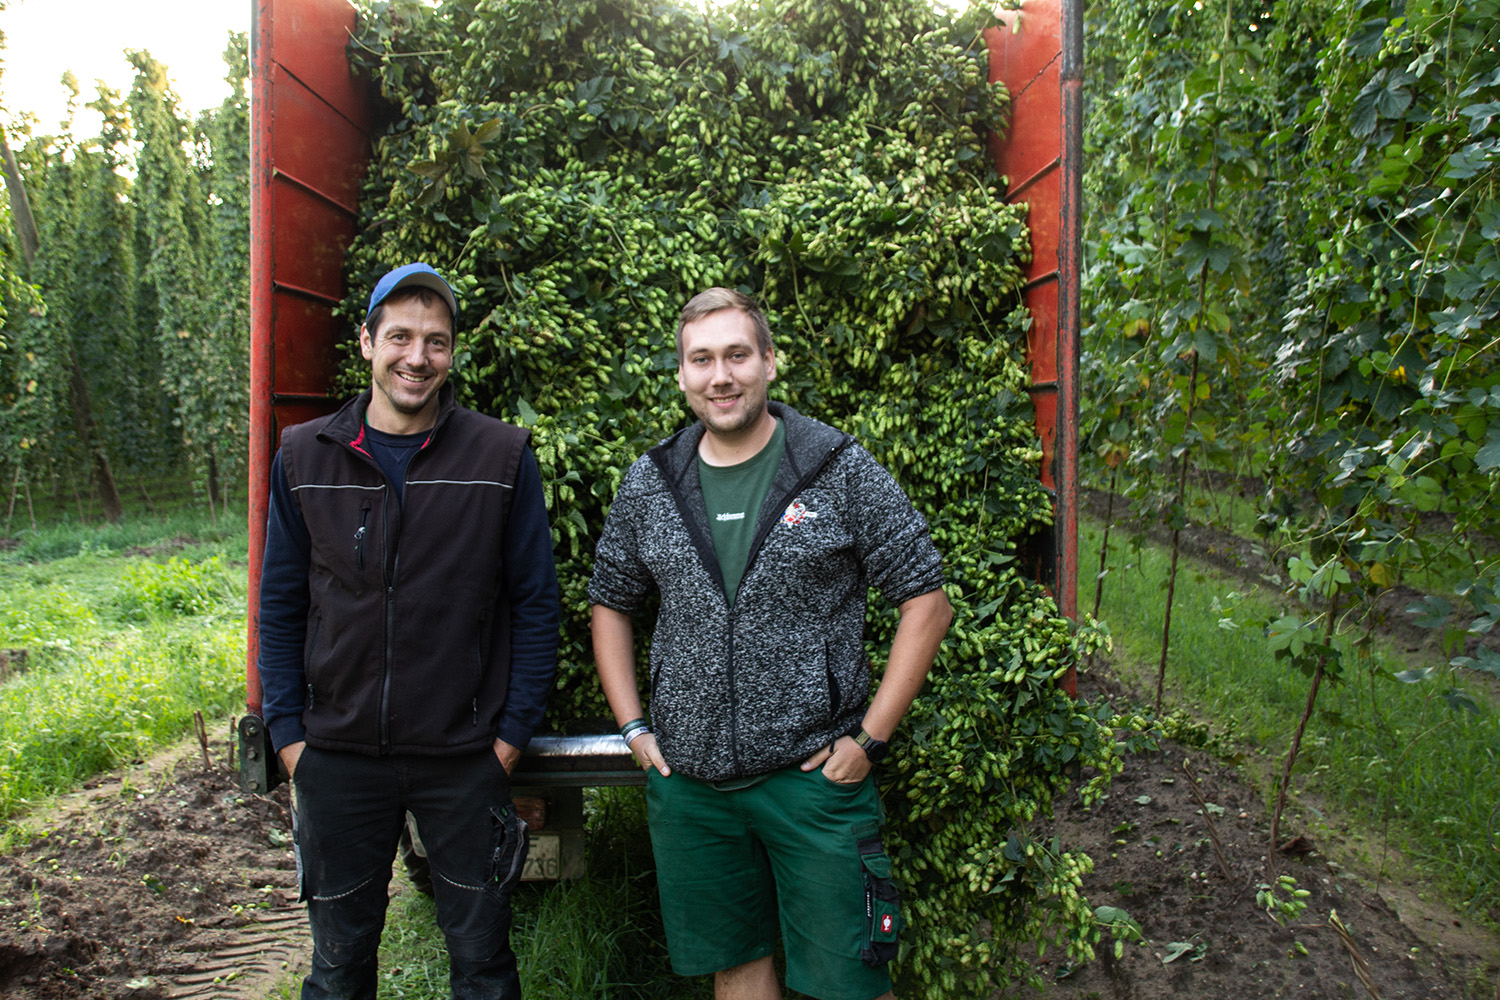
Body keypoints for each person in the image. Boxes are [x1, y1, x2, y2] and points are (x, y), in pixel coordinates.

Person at [588, 287, 953, 1000]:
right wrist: (634, 727)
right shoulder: (650, 482)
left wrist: (869, 740)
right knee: (736, 969)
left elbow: (927, 603)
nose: (720, 376)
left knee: (851, 981)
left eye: (736, 355)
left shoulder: (838, 467)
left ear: (769, 363)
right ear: (682, 376)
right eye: (701, 360)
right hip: (693, 789)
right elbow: (610, 602)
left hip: (813, 782)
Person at [256, 262, 559, 1000]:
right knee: (337, 970)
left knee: (484, 966)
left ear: (452, 353)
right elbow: (281, 603)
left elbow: (535, 604)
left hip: (462, 760)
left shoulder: (501, 457)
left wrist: (509, 736)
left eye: (436, 341)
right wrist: (291, 736)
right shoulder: (304, 456)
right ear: (366, 342)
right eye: (399, 337)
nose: (416, 357)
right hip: (336, 758)